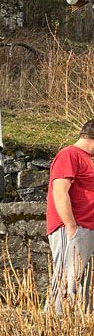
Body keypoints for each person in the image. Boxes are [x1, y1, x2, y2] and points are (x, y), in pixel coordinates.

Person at [47, 120, 94, 309]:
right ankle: (54, 330)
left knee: (79, 286)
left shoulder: (85, 158)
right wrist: (71, 227)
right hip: (76, 229)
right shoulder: (69, 154)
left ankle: (72, 332)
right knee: (66, 283)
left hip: (86, 228)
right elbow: (59, 191)